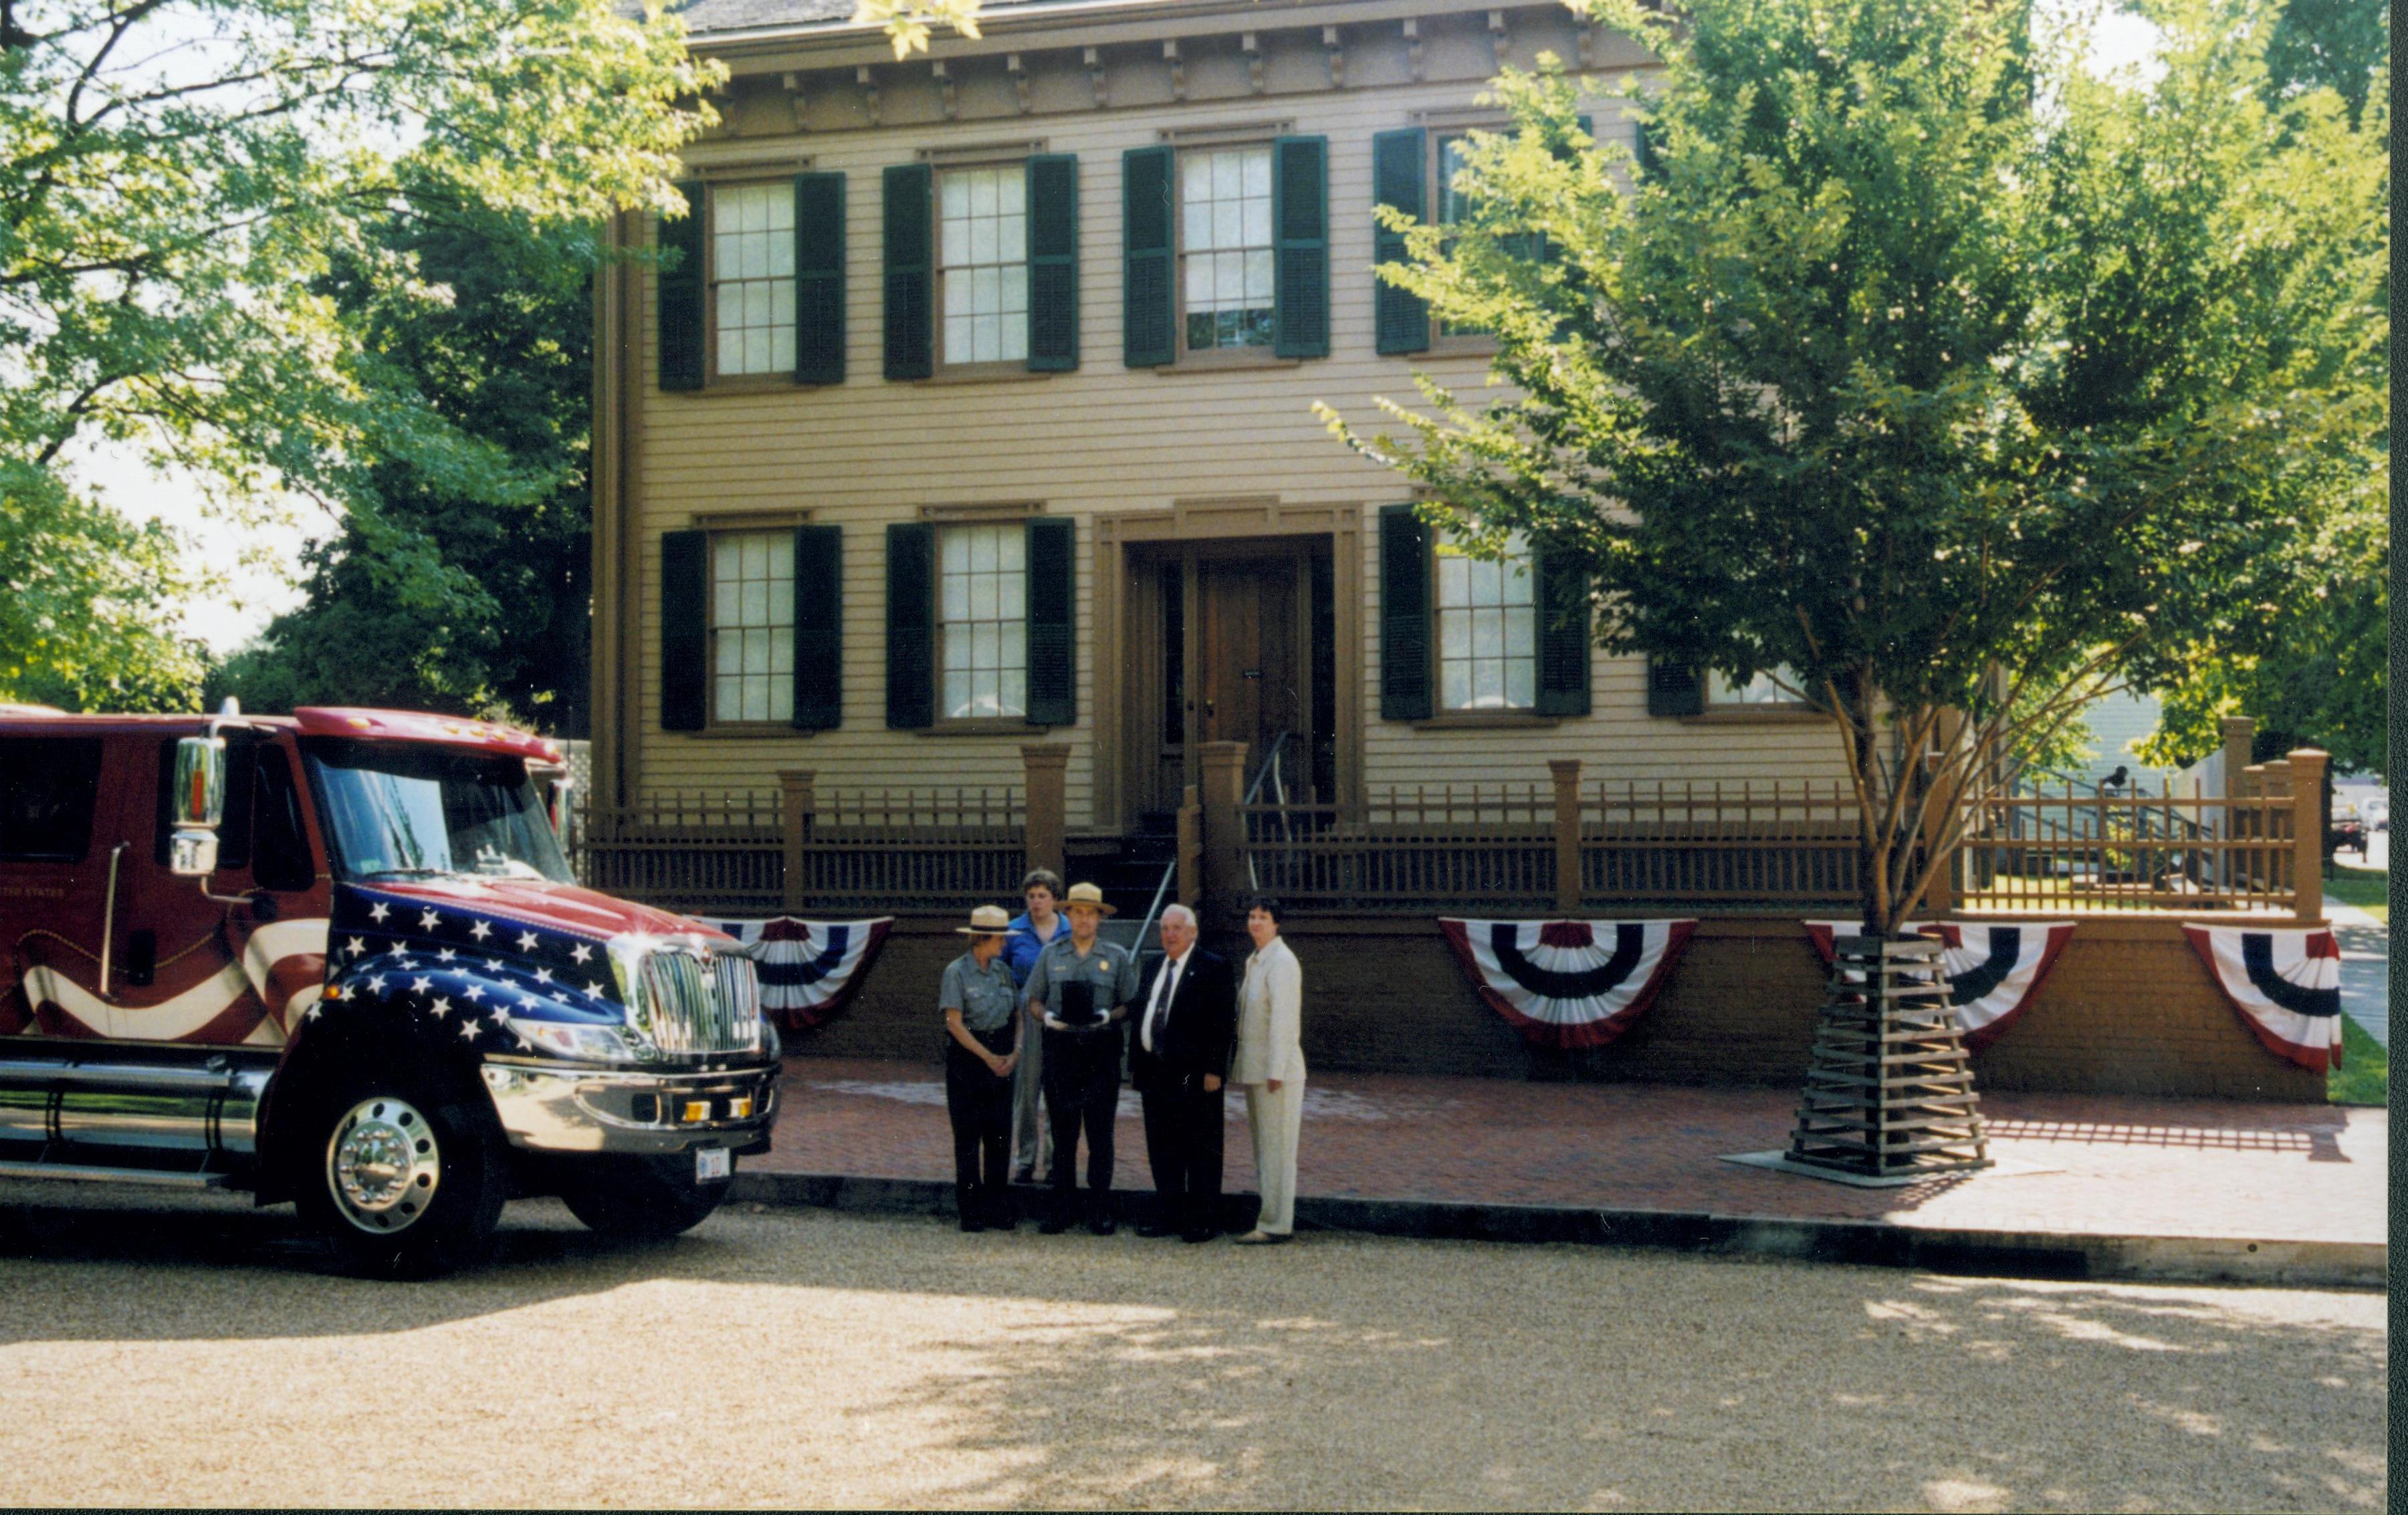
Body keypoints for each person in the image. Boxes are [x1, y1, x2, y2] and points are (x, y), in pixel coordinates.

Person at [1021, 881, 1139, 1235]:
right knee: (1064, 1136)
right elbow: (1033, 1000)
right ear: (1067, 915)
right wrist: (1047, 1018)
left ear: (1099, 918)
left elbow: (1129, 1004)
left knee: (1101, 1137)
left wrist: (1108, 1017)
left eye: (1091, 913)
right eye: (1077, 912)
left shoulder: (1116, 957)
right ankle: (1062, 1209)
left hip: (1101, 1055)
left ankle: (1100, 1210)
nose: (1084, 920)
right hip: (1061, 1054)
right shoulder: (1051, 955)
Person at [1127, 903, 1236, 1243]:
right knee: (1162, 1147)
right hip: (1155, 1071)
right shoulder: (1152, 965)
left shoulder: (1212, 968)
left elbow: (1222, 1024)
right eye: (1164, 929)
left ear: (1192, 932)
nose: (1169, 934)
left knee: (1200, 1146)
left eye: (1176, 928)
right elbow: (1142, 1013)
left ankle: (1203, 1220)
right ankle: (1169, 1215)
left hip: (1194, 1074)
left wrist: (1215, 1069)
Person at [940, 905, 1022, 1232]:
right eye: (999, 938)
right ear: (983, 938)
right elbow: (954, 1024)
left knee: (1000, 1138)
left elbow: (1016, 1015)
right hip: (968, 1062)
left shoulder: (1003, 972)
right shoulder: (956, 972)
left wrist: (1015, 1052)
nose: (1003, 944)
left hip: (1001, 1057)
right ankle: (971, 1212)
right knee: (969, 1139)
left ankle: (998, 1209)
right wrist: (986, 1057)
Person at [1231, 896, 1305, 1246]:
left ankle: (1276, 1224)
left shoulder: (1282, 962)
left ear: (1277, 924)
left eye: (1263, 917)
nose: (1256, 923)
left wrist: (1276, 1069)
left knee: (1277, 1149)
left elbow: (1284, 1022)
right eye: (1252, 916)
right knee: (1265, 1148)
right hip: (1256, 1070)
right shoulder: (1256, 960)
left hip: (1277, 1074)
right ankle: (1270, 1215)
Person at [1003, 868, 1065, 1183]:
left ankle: (1056, 1162)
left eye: (1043, 895)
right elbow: (1000, 975)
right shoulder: (1013, 932)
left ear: (1054, 898)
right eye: (1031, 896)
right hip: (1026, 1020)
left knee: (1058, 1091)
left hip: (1061, 1020)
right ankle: (1025, 1160)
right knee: (1026, 1094)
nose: (1037, 902)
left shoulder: (1069, 931)